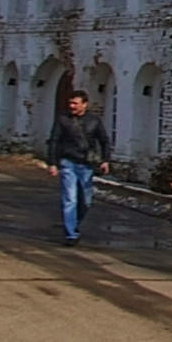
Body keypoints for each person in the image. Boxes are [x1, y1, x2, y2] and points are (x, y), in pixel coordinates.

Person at [46, 90, 111, 246]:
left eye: (75, 103)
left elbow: (104, 140)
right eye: (70, 103)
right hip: (67, 163)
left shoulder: (94, 121)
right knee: (70, 199)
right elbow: (54, 141)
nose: (72, 106)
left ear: (84, 104)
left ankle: (73, 223)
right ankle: (71, 234)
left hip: (86, 165)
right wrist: (53, 163)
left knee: (86, 202)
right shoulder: (63, 119)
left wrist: (105, 160)